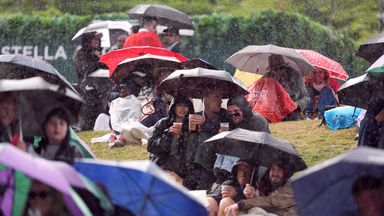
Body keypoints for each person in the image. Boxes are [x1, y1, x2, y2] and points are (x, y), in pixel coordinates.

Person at [147, 95, 198, 186]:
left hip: (185, 172)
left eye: (185, 106)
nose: (182, 109)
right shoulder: (163, 123)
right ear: (173, 107)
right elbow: (151, 147)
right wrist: (168, 134)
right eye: (179, 105)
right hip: (163, 168)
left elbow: (193, 152)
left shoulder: (193, 126)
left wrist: (199, 129)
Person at [224, 160, 297, 216]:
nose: (275, 173)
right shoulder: (265, 185)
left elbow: (270, 202)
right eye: (273, 169)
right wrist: (252, 196)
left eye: (279, 170)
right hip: (268, 212)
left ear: (285, 173)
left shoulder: (290, 187)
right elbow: (261, 202)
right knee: (234, 212)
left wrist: (240, 204)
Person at [189, 89, 229, 190]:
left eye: (221, 98)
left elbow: (225, 133)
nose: (220, 101)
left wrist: (205, 123)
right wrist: (192, 131)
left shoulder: (225, 116)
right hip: (193, 164)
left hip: (213, 164)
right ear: (205, 99)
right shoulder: (195, 115)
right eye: (217, 97)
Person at [262, 54, 310, 120]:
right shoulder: (266, 79)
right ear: (271, 70)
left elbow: (306, 97)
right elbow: (261, 99)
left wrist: (296, 105)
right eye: (275, 69)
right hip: (273, 112)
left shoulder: (295, 76)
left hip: (293, 112)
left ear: (285, 66)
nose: (279, 71)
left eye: (281, 68)